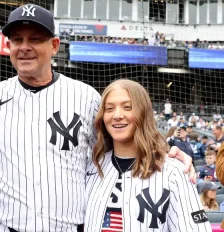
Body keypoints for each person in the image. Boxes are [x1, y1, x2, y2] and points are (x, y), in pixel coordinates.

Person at [0, 4, 194, 232]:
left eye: (36, 39)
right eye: (18, 40)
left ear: (54, 45)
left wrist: (173, 152)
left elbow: (124, 136)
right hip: (4, 227)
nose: (25, 47)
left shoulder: (86, 97)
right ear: (9, 47)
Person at [85, 79, 210, 231]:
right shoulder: (91, 167)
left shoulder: (175, 172)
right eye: (109, 108)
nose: (117, 115)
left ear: (143, 113)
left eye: (127, 107)